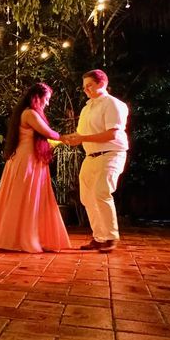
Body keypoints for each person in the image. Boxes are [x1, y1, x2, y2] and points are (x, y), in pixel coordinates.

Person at [0, 83, 71, 253]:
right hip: (26, 160)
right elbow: (49, 133)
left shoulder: (28, 113)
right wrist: (67, 138)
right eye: (47, 99)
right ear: (37, 97)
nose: (48, 103)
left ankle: (32, 236)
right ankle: (20, 238)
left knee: (29, 199)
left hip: (31, 159)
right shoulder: (29, 113)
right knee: (24, 199)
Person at [62, 69, 129, 253]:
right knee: (87, 197)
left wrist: (82, 139)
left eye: (90, 85)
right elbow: (83, 134)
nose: (86, 90)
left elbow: (111, 133)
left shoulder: (113, 104)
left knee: (101, 192)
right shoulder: (86, 108)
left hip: (110, 153)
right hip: (90, 156)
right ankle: (99, 237)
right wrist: (68, 138)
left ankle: (111, 237)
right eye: (84, 87)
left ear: (102, 83)